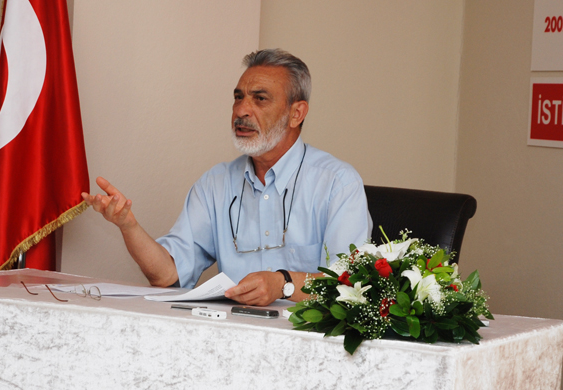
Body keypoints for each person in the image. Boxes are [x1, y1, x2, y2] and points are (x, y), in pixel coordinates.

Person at [82, 48, 372, 306]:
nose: (241, 110)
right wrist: (128, 226)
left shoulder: (337, 183)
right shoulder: (216, 183)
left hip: (306, 339)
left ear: (296, 114)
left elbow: (349, 286)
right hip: (229, 336)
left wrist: (283, 284)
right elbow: (168, 276)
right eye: (238, 97)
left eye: (260, 99)